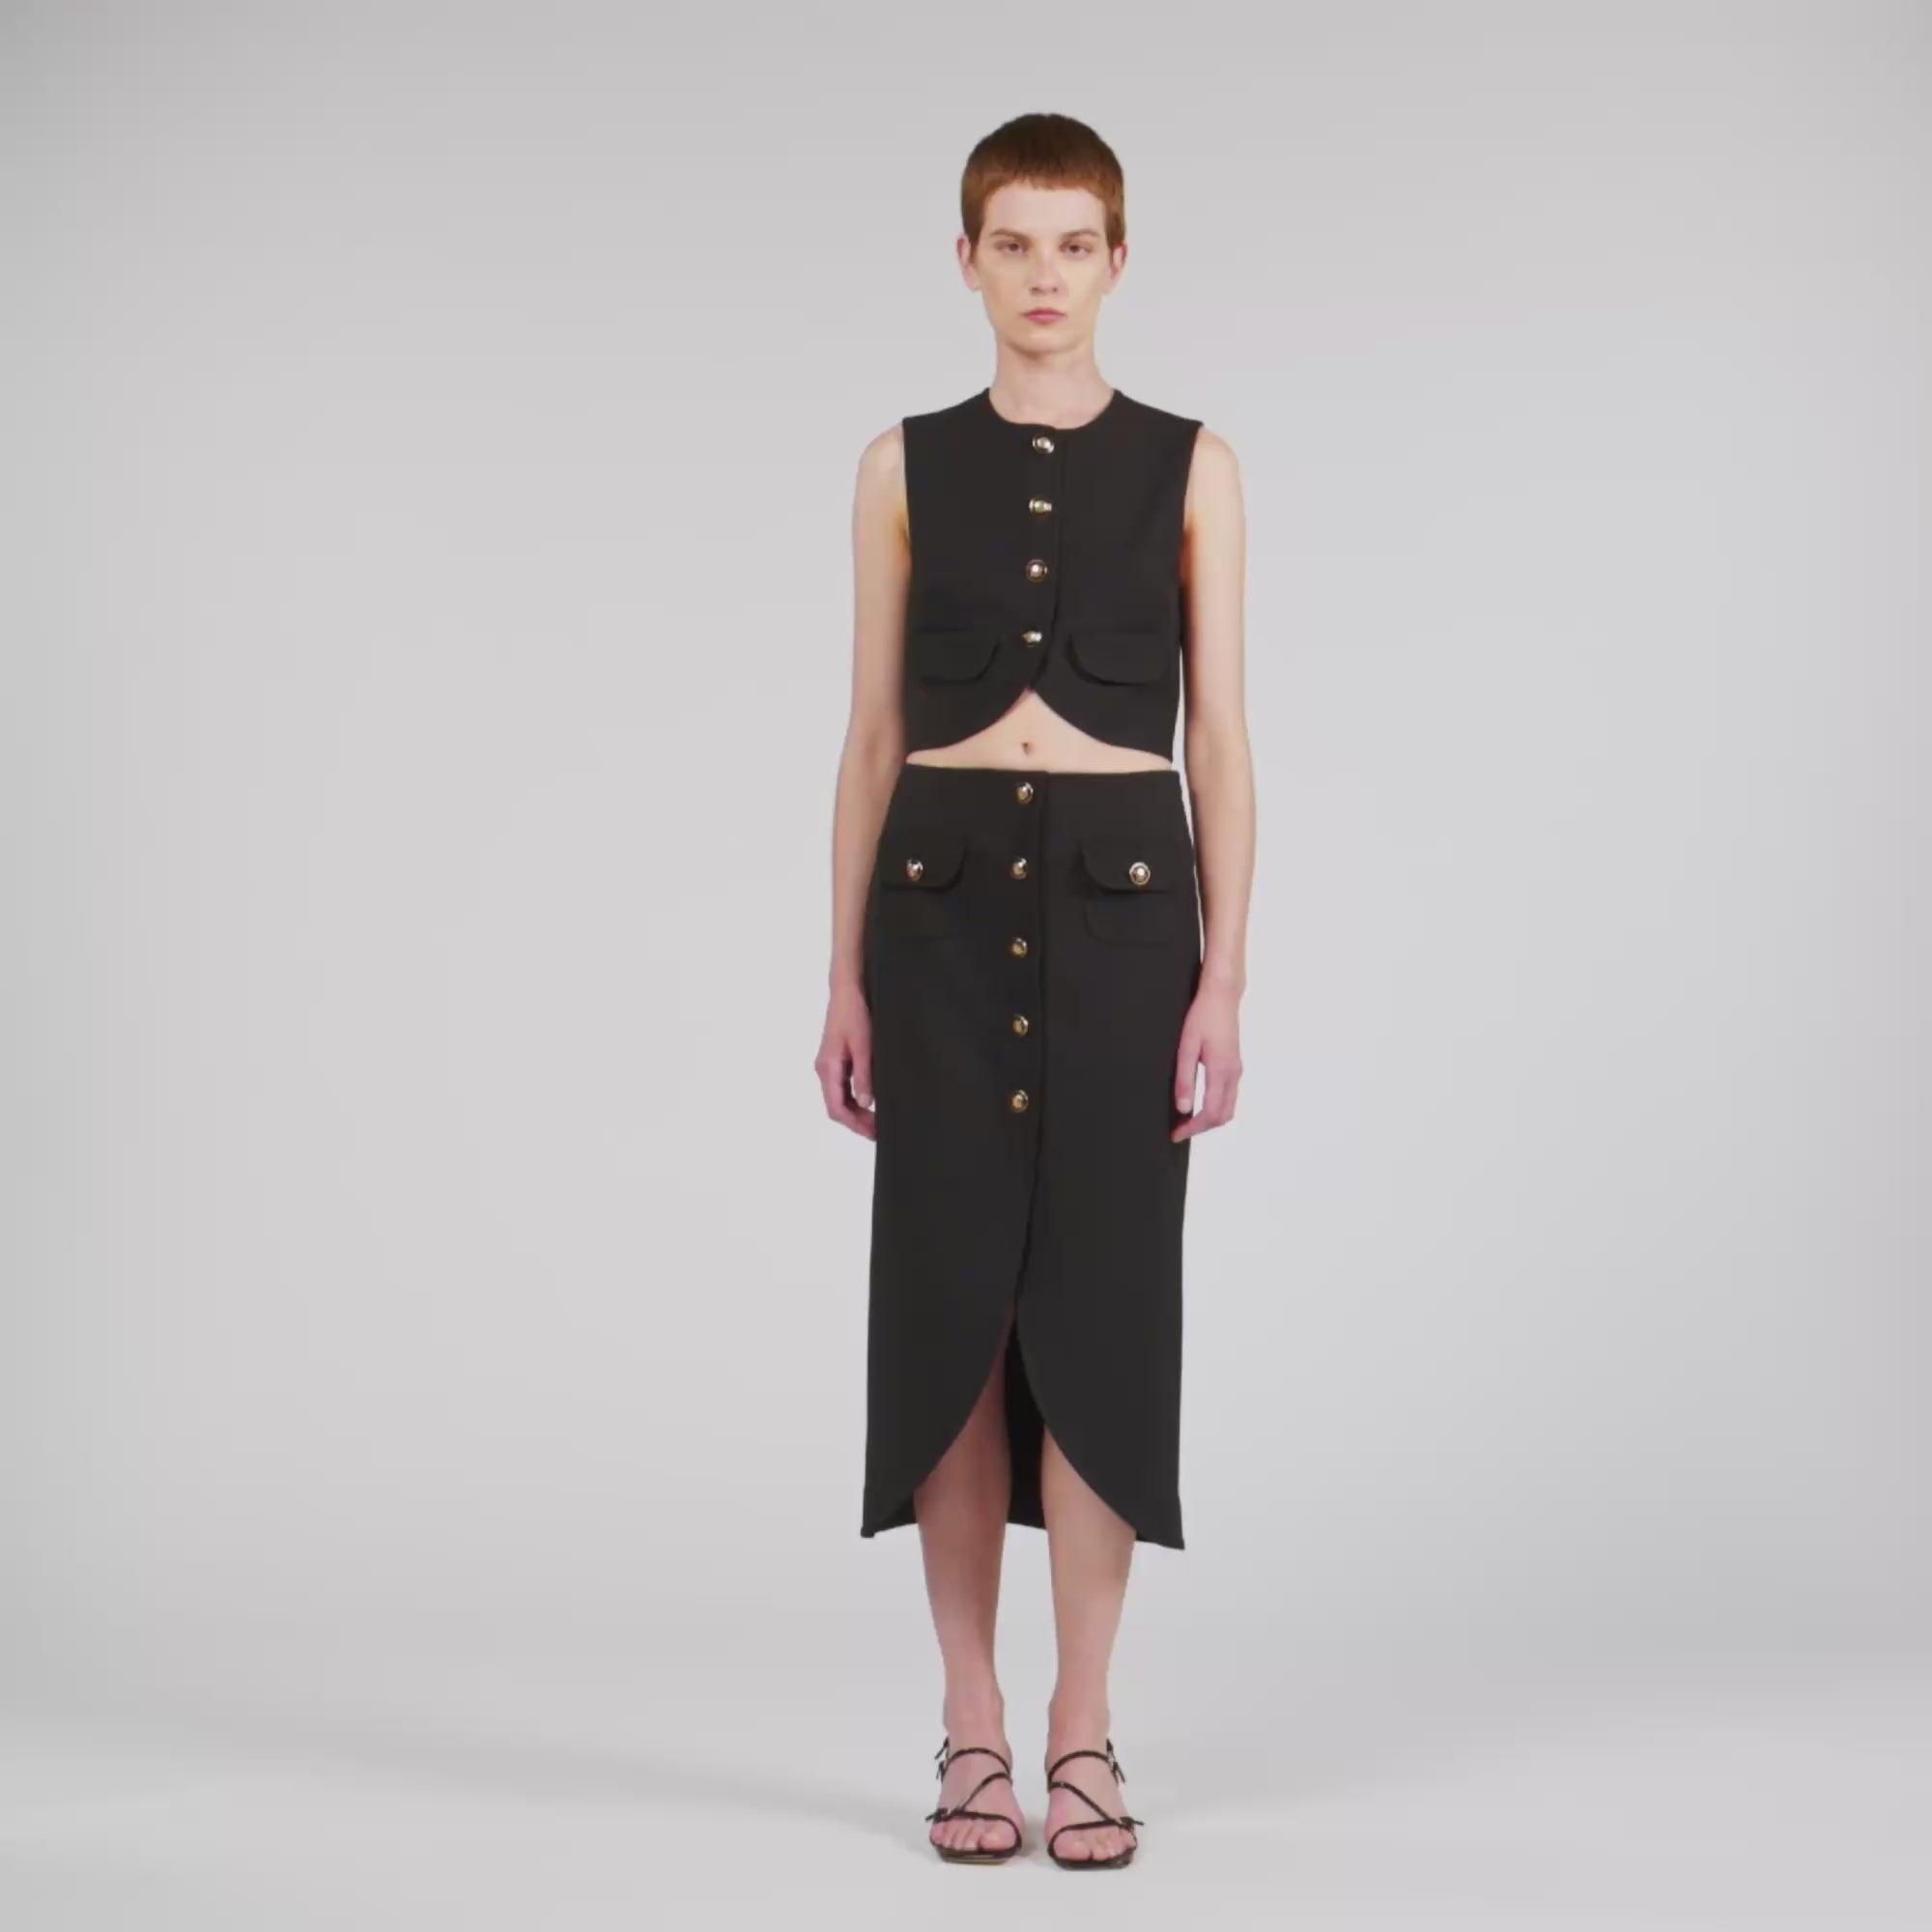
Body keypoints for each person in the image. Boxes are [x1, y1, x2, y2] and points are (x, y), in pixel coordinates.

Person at [815, 110, 1255, 1868]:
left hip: (1129, 929)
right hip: (933, 923)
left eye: (1076, 245)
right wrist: (841, 976)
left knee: (1100, 1317)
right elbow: (869, 736)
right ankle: (972, 1726)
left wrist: (1227, 977)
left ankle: (1084, 1727)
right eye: (1015, 243)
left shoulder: (1195, 465)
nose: (1046, 276)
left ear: (1118, 261)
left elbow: (1220, 739)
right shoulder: (900, 465)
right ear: (968, 260)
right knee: (954, 1318)